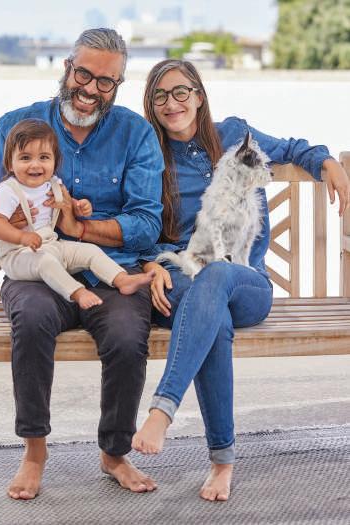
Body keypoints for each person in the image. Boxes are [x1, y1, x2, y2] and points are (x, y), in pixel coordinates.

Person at [131, 59, 350, 502]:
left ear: (198, 95)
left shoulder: (233, 135)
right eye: (160, 96)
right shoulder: (149, 156)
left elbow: (291, 149)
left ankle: (162, 410)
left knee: (217, 277)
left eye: (180, 91)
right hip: (185, 281)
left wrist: (328, 163)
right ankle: (222, 461)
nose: (172, 103)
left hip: (247, 283)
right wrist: (150, 264)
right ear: (151, 106)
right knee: (214, 319)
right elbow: (139, 226)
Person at [0, 29, 164, 499]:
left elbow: (147, 224)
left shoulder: (135, 134)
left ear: (118, 85)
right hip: (33, 268)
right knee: (31, 320)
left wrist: (81, 228)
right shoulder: (16, 125)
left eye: (106, 82)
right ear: (67, 68)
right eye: (84, 74)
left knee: (127, 336)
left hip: (107, 269)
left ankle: (114, 454)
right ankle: (35, 452)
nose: (91, 89)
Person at [0, 118, 155, 309]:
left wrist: (78, 207)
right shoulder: (8, 191)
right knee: (46, 262)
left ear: (55, 162)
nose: (35, 165)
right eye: (25, 158)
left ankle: (122, 279)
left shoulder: (52, 184)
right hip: (19, 255)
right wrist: (21, 237)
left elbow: (65, 202)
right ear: (10, 163)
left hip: (51, 245)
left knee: (90, 251)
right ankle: (78, 292)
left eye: (44, 157)